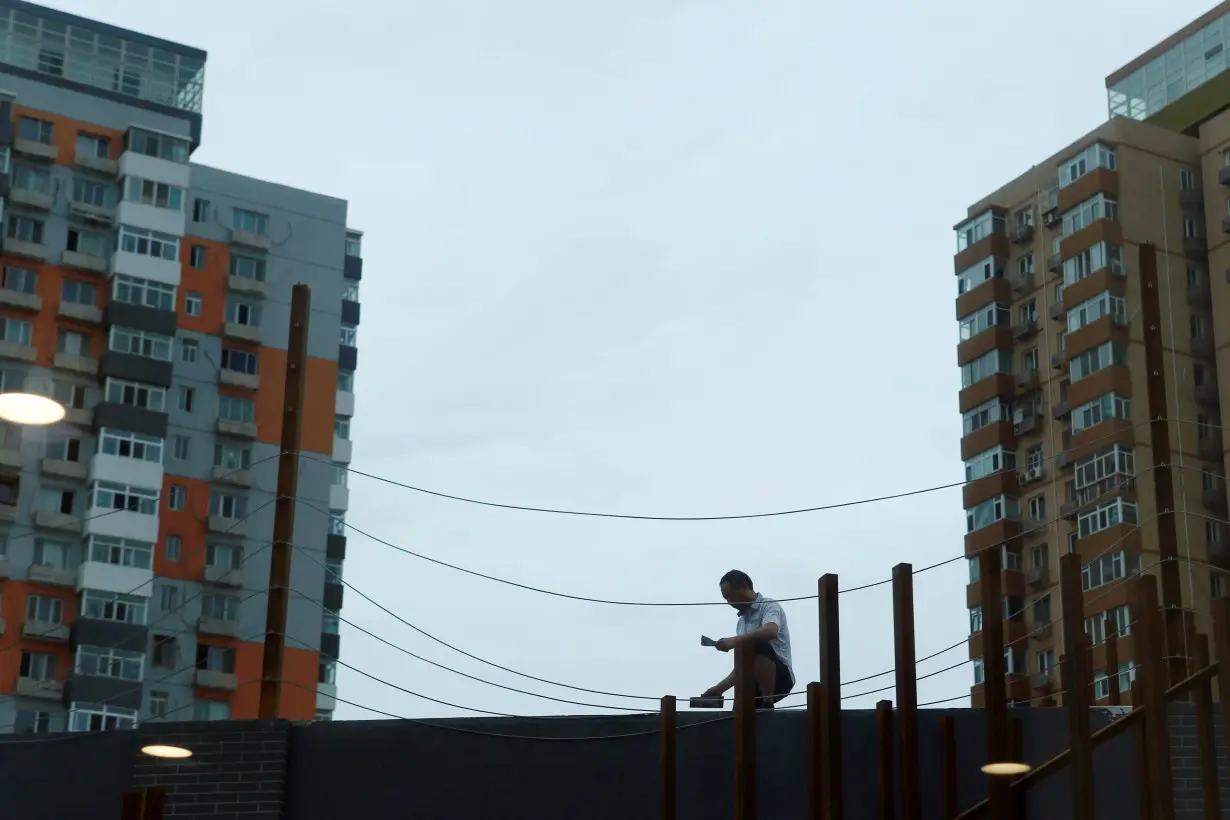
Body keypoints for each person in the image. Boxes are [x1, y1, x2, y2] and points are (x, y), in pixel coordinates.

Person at [700, 569, 795, 710]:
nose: (729, 602)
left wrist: (735, 640)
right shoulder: (742, 622)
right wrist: (719, 689)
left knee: (754, 643)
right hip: (751, 682)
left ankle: (767, 701)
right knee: (739, 715)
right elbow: (742, 665)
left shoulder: (769, 606)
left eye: (730, 596)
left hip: (780, 676)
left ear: (744, 587)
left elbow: (770, 631)